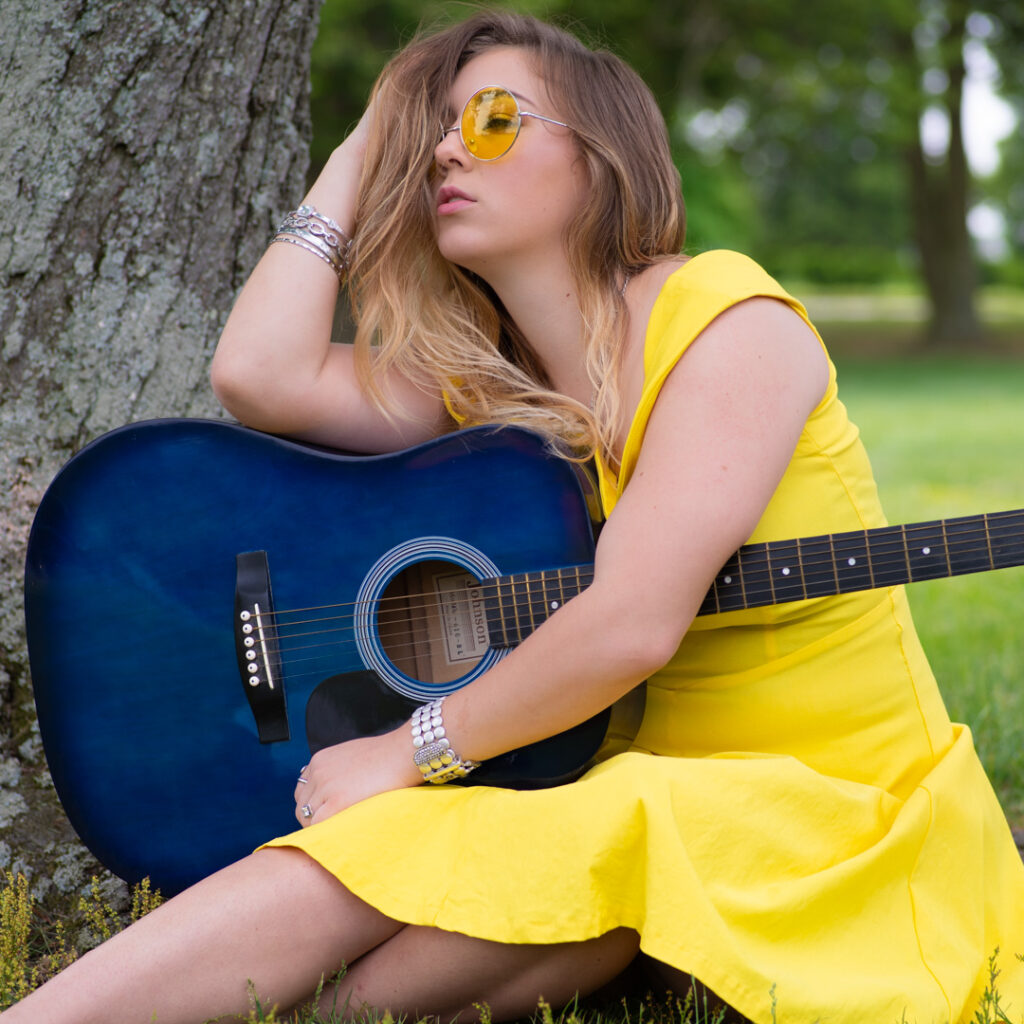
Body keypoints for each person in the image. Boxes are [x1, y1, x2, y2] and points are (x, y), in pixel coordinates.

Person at [6, 10, 1024, 1024]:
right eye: (436, 131)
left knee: (535, 826)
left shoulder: (728, 319)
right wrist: (372, 140)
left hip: (839, 810)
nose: (448, 146)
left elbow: (629, 621)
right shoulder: (487, 398)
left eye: (492, 117)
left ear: (601, 154)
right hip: (646, 802)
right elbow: (258, 372)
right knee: (444, 854)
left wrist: (407, 750)